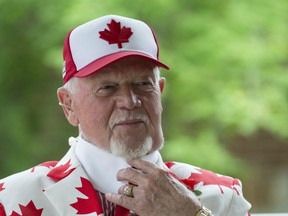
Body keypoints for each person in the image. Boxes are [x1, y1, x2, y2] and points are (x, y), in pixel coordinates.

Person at [0, 14, 251, 216]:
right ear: (69, 105)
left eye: (143, 84)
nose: (130, 102)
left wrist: (191, 214)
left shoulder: (221, 196)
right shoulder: (13, 200)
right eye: (107, 88)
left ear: (159, 93)